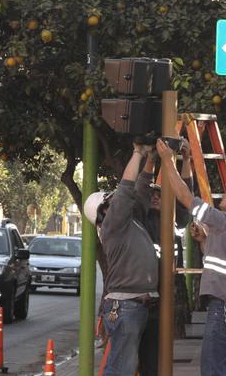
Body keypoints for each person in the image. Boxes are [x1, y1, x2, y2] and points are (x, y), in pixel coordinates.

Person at [156, 138, 226, 376]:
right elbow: (224, 260)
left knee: (213, 369)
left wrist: (167, 160)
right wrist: (204, 241)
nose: (224, 193)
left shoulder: (225, 221)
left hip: (223, 309)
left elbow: (185, 197)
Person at [85, 142, 159, 376]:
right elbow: (127, 189)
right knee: (120, 370)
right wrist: (137, 152)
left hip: (137, 305)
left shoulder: (130, 221)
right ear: (104, 210)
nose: (117, 200)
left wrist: (151, 159)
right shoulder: (113, 224)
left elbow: (142, 189)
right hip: (126, 306)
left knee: (129, 367)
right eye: (112, 200)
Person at [134, 139, 193, 376]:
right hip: (140, 296)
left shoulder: (173, 221)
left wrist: (186, 160)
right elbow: (139, 190)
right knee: (130, 356)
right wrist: (150, 160)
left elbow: (186, 195)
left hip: (162, 297)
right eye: (153, 195)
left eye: (160, 194)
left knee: (152, 358)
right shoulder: (140, 219)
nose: (155, 197)